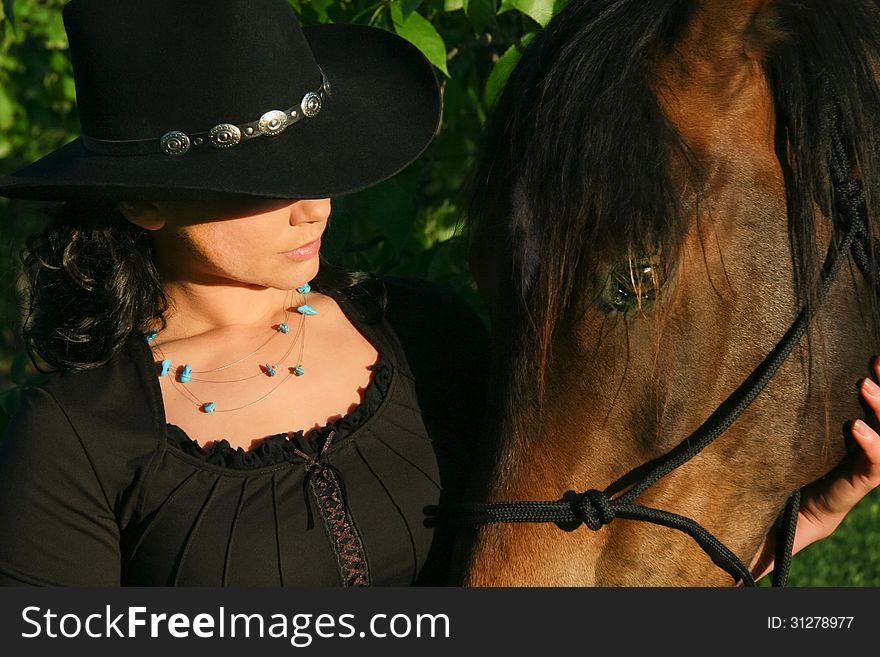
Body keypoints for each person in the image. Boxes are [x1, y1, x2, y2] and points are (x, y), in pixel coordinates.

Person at [0, 0, 876, 587]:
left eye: (318, 163)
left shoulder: (425, 336)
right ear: (143, 197)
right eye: (258, 178)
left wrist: (804, 523)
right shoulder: (76, 437)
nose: (315, 203)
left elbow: (565, 568)